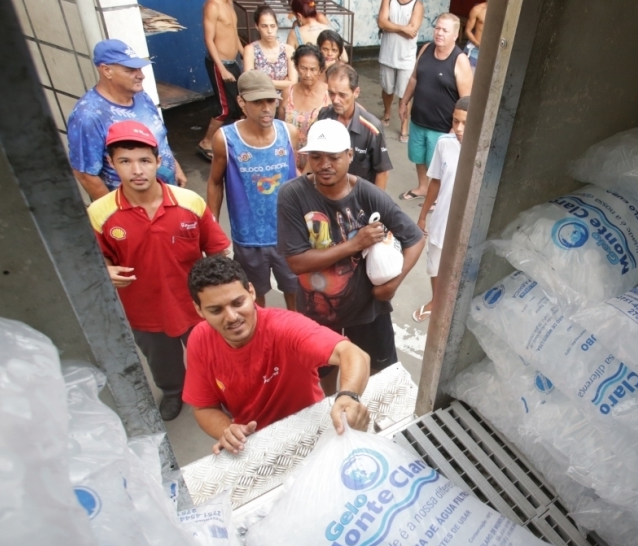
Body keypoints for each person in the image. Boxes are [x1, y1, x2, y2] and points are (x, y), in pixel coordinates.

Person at [88, 121, 230, 421]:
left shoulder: (189, 202)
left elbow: (217, 249)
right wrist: (105, 271)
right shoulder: (100, 214)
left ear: (158, 162)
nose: (136, 170)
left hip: (196, 306)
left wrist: (222, 295)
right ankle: (172, 392)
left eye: (144, 161)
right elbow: (93, 260)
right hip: (144, 310)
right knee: (161, 361)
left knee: (212, 353)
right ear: (112, 163)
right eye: (125, 161)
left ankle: (220, 390)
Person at [278, 119, 424, 391]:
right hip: (317, 313)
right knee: (322, 377)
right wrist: (354, 244)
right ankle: (333, 419)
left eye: (334, 157)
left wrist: (393, 284)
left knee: (379, 375)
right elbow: (297, 262)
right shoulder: (293, 195)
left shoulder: (368, 195)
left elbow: (414, 237)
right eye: (316, 156)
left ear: (349, 155)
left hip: (367, 311)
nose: (324, 164)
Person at [184, 255, 371, 455]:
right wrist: (226, 430)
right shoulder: (199, 339)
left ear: (251, 292)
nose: (231, 317)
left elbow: (352, 353)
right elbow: (204, 407)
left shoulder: (285, 327)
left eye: (238, 303)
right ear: (199, 310)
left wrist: (349, 395)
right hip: (251, 443)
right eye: (216, 310)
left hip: (310, 428)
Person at [207, 71, 301, 313]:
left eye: (270, 101)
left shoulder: (289, 134)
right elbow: (215, 182)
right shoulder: (225, 139)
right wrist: (212, 226)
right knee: (254, 298)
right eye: (258, 102)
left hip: (288, 236)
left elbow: (298, 175)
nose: (266, 108)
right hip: (248, 240)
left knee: (296, 292)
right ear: (241, 103)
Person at [67, 39, 186, 199]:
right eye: (130, 70)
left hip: (166, 193)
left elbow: (159, 138)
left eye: (139, 69)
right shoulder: (88, 115)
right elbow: (84, 174)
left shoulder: (141, 96)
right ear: (106, 70)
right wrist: (116, 213)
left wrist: (175, 166)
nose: (141, 76)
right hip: (133, 205)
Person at [398, 14, 472, 201]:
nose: (439, 33)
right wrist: (404, 101)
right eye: (437, 28)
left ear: (455, 35)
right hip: (418, 120)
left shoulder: (459, 60)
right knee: (419, 157)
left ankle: (438, 197)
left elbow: (466, 99)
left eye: (445, 30)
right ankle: (423, 187)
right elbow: (414, 77)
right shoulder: (425, 49)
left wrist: (457, 127)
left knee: (439, 165)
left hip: (441, 126)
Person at [413, 96, 467, 323]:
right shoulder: (445, 143)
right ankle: (436, 300)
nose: (459, 129)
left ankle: (456, 306)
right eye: (455, 122)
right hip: (442, 219)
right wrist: (423, 216)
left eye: (465, 123)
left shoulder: (487, 150)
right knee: (434, 265)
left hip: (467, 224)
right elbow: (435, 182)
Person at [318, 64, 393, 190]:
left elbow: (382, 172)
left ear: (356, 92)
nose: (335, 100)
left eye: (342, 95)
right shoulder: (323, 117)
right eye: (331, 93)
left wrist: (375, 206)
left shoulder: (372, 128)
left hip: (359, 200)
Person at [197, 0, 243, 161]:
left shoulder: (229, 2)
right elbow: (209, 39)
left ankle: (234, 141)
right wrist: (221, 68)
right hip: (219, 65)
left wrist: (244, 52)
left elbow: (233, 32)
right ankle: (206, 143)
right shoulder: (212, 6)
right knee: (225, 108)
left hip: (232, 63)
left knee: (241, 103)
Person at [377, 0, 423, 135]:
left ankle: (404, 125)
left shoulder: (417, 5)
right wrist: (403, 28)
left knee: (405, 94)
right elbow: (381, 22)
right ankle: (387, 112)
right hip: (387, 54)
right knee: (387, 89)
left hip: (406, 57)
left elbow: (412, 33)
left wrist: (389, 25)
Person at [279, 44, 329, 172]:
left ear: (320, 70)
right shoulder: (287, 92)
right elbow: (280, 130)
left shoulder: (328, 94)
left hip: (319, 163)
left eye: (313, 69)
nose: (308, 74)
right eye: (303, 68)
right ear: (296, 67)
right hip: (290, 162)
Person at [243, 5, 297, 92]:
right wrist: (284, 83)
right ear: (257, 26)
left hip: (285, 101)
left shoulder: (288, 50)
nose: (269, 31)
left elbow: (293, 83)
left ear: (277, 26)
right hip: (261, 101)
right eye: (264, 26)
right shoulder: (250, 50)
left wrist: (262, 82)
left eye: (272, 26)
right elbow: (250, 82)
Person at [464, 0, 489, 71]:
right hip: (475, 51)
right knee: (470, 79)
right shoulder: (477, 9)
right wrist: (477, 44)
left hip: (492, 52)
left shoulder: (503, 12)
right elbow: (467, 30)